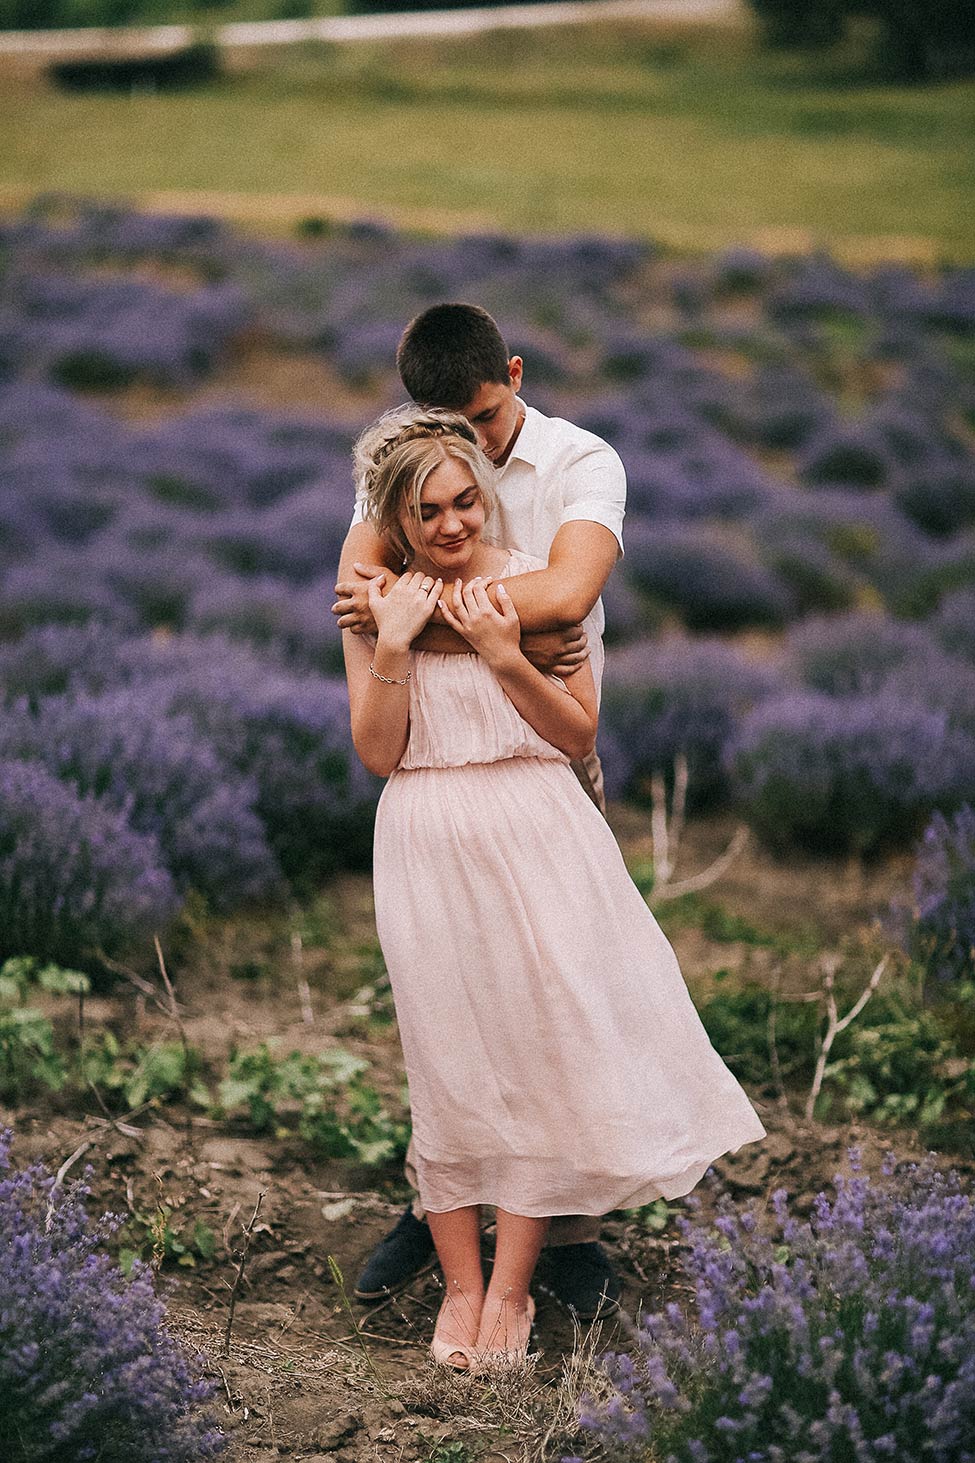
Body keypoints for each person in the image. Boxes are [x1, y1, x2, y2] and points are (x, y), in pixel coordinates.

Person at [341, 405, 767, 1371]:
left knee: (535, 1047)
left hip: (536, 830)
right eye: (426, 512)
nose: (451, 525)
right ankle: (456, 1281)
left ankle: (510, 1286)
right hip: (424, 836)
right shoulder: (380, 608)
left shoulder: (526, 594)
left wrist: (499, 652)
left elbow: (576, 733)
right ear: (394, 524)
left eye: (463, 502)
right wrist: (396, 645)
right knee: (444, 1052)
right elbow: (376, 750)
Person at [333, 303, 629, 1320]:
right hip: (438, 778)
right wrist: (393, 627)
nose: (478, 444)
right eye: (452, 424)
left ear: (514, 372)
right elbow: (353, 583)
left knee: (561, 1000)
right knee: (453, 1013)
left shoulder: (582, 462)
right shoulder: (416, 458)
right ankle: (442, 1205)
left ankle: (572, 1229)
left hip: (544, 755)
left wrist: (412, 623)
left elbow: (564, 594)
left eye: (489, 419)